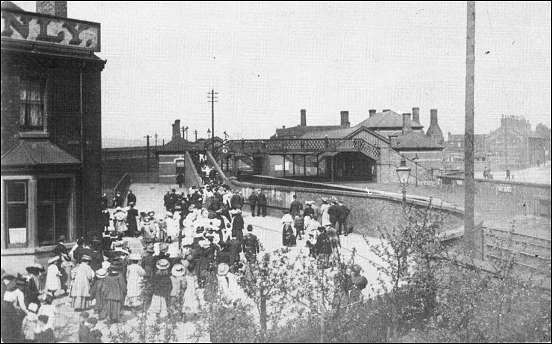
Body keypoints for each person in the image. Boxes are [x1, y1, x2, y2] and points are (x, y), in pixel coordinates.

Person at [1, 275, 27, 342]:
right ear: (23, 286)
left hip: (3, 305)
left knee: (6, 323)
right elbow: (22, 306)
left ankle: (6, 338)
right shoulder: (20, 292)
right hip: (9, 307)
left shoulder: (11, 289)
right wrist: (27, 312)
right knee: (16, 323)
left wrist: (16, 308)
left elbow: (13, 303)